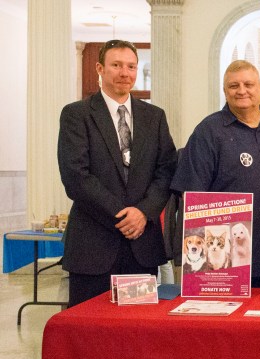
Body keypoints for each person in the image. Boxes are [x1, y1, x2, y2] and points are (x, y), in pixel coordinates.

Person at [171, 60, 260, 288]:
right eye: (233, 86)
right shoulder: (208, 132)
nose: (242, 91)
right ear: (225, 91)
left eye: (248, 84)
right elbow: (191, 198)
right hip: (227, 264)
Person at [57, 39, 176, 307]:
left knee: (136, 333)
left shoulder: (154, 116)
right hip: (93, 245)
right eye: (116, 65)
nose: (125, 73)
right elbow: (76, 176)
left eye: (131, 66)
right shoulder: (77, 114)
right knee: (90, 331)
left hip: (141, 246)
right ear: (100, 68)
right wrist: (124, 215)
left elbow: (166, 170)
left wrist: (143, 213)